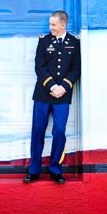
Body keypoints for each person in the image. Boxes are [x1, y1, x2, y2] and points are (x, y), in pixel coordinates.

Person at [24, 10, 81, 184]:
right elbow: (39, 67)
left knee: (59, 131)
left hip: (62, 96)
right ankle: (34, 170)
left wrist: (63, 87)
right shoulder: (44, 41)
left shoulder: (74, 43)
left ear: (63, 25)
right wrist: (52, 86)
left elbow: (76, 69)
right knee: (38, 130)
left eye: (53, 24)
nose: (50, 27)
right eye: (50, 24)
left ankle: (55, 168)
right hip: (42, 94)